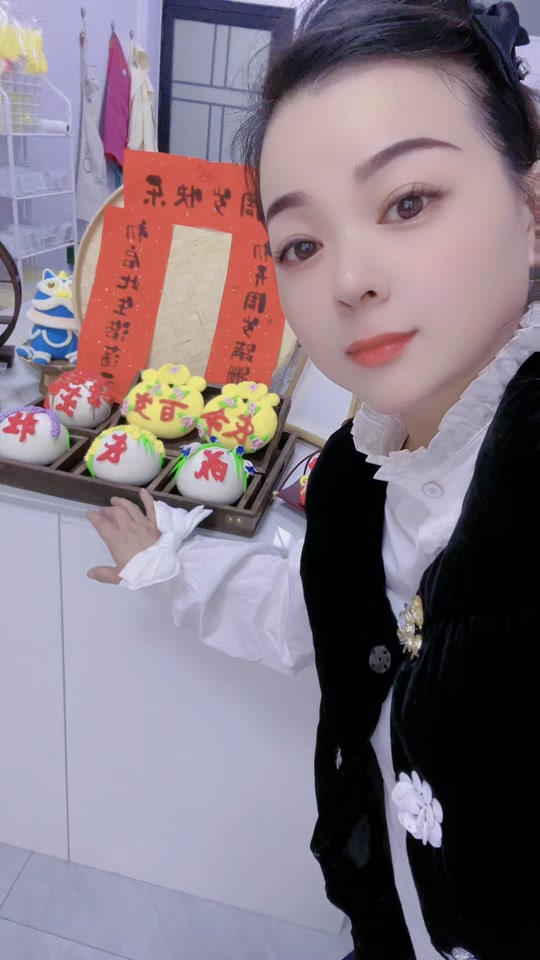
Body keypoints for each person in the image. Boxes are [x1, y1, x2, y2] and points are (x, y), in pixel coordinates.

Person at [86, 1, 540, 956]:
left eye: (408, 202)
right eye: (301, 242)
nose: (348, 280)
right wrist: (169, 565)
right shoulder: (358, 473)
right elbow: (332, 615)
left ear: (533, 209)